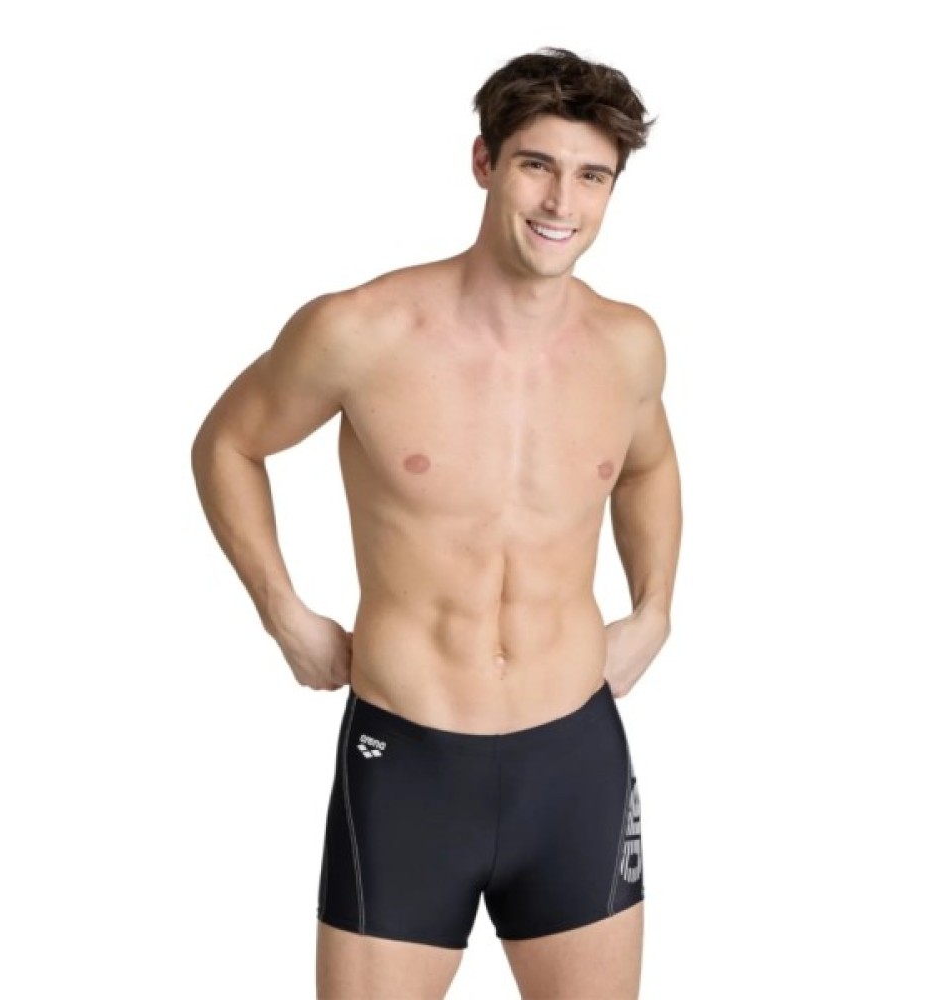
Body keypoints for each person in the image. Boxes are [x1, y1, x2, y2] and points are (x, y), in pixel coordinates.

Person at [191, 46, 681, 1000]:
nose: (562, 202)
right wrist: (283, 613)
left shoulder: (628, 344)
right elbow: (227, 445)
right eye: (537, 165)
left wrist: (655, 607)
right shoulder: (361, 330)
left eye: (592, 177)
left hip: (574, 760)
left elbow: (648, 467)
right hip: (409, 761)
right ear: (484, 162)